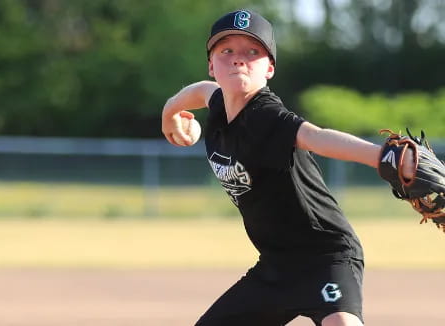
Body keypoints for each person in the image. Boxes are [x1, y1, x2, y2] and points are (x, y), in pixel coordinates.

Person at [161, 9, 414, 326]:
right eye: (227, 51)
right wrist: (170, 114)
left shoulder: (266, 115)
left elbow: (317, 138)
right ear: (212, 65)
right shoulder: (216, 102)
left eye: (253, 52)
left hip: (326, 256)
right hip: (275, 267)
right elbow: (198, 91)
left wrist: (382, 158)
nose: (239, 59)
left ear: (269, 68)